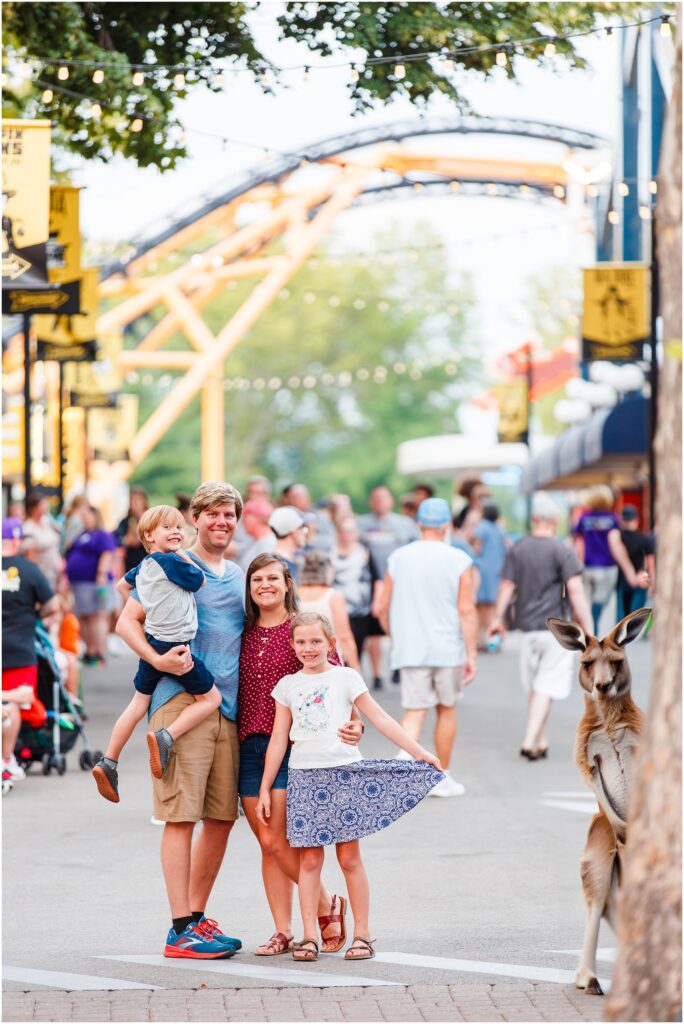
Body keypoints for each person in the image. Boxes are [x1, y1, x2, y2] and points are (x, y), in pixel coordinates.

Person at [256, 611, 443, 962]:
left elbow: (381, 718)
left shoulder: (346, 677)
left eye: (315, 641)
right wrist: (266, 787)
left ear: (331, 643)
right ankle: (310, 935)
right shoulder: (287, 686)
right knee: (309, 860)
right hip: (304, 778)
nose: (308, 648)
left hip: (344, 774)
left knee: (348, 858)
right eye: (301, 642)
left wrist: (419, 752)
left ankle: (362, 934)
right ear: (292, 645)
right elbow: (279, 740)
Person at [116, 482, 245, 959]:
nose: (220, 522)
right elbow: (125, 621)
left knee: (220, 819)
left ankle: (195, 918)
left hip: (224, 708)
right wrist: (158, 659)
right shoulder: (174, 564)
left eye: (228, 514)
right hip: (178, 704)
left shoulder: (236, 575)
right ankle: (178, 929)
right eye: (211, 514)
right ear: (195, 519)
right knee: (180, 817)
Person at [238, 552, 362, 955]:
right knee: (266, 842)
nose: (265, 586)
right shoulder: (244, 629)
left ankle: (324, 906)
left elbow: (337, 679)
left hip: (296, 749)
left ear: (288, 583)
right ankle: (283, 928)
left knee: (280, 840)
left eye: (273, 578)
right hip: (249, 744)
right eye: (257, 580)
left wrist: (355, 722)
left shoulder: (302, 628)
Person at [92, 505, 222, 803]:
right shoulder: (172, 562)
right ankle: (166, 736)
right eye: (167, 528)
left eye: (179, 527)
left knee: (138, 703)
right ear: (149, 535)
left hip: (153, 642)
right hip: (178, 647)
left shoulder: (145, 566)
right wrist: (184, 555)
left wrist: (151, 606)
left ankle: (109, 761)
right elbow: (200, 581)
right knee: (211, 699)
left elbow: (121, 585)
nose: (176, 532)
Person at [379, 498, 478, 797]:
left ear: (420, 523)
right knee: (446, 708)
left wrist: (395, 635)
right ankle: (442, 777)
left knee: (414, 710)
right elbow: (467, 610)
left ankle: (404, 766)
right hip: (447, 647)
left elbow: (382, 606)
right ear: (447, 524)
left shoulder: (398, 558)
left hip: (411, 647)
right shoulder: (458, 559)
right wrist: (471, 652)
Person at [488, 492, 594, 760]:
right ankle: (528, 740)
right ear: (555, 520)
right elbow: (576, 590)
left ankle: (541, 739)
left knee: (535, 687)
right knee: (546, 687)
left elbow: (506, 587)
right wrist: (589, 630)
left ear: (534, 519)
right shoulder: (563, 550)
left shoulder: (518, 547)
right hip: (556, 630)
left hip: (527, 629)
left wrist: (496, 619)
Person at [2, 517, 60, 783]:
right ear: (16, 541)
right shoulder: (29, 569)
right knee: (13, 701)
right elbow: (52, 606)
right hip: (19, 649)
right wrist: (35, 614)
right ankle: (6, 760)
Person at [357, 485, 419, 690]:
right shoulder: (362, 525)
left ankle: (398, 664)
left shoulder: (405, 524)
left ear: (391, 501)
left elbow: (415, 551)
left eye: (383, 498)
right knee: (375, 629)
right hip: (373, 584)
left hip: (400, 583)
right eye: (375, 498)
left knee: (399, 625)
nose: (379, 502)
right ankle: (376, 673)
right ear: (370, 502)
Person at [571, 485, 644, 634]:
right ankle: (594, 629)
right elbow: (615, 544)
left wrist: (578, 566)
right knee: (600, 605)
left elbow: (579, 544)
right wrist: (630, 572)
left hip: (588, 567)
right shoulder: (612, 519)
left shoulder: (584, 519)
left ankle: (590, 630)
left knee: (586, 602)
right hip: (607, 568)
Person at [65, 505, 117, 666]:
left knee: (98, 616)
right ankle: (89, 651)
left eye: (87, 515)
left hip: (95, 582)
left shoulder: (102, 535)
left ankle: (99, 652)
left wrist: (101, 573)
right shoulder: (82, 534)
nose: (85, 519)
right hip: (80, 584)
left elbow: (107, 554)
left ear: (95, 516)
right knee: (84, 616)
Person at [297, 550, 361, 671]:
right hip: (329, 661)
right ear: (327, 571)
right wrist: (356, 668)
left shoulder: (295, 595)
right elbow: (345, 636)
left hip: (302, 661)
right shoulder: (333, 596)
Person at [331, 516, 379, 667]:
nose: (348, 534)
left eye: (351, 530)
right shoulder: (330, 554)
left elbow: (377, 578)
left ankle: (354, 678)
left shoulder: (364, 552)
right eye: (344, 530)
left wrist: (376, 602)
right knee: (340, 646)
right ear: (338, 532)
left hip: (361, 609)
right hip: (338, 608)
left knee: (357, 646)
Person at [473, 503, 507, 648]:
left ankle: (486, 638)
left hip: (483, 569)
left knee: (482, 605)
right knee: (493, 604)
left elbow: (476, 546)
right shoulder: (499, 529)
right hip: (497, 569)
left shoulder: (482, 527)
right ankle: (493, 637)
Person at [616, 505, 655, 621]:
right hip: (640, 578)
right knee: (635, 615)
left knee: (621, 615)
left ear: (622, 520)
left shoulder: (617, 538)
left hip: (621, 580)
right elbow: (650, 562)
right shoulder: (643, 538)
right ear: (636, 520)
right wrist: (651, 581)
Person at [21, 489, 63, 589]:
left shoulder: (47, 521)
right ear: (33, 508)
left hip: (54, 572)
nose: (46, 507)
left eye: (46, 504)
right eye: (42, 504)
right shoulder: (28, 527)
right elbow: (28, 552)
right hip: (39, 572)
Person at [267, 506, 308, 580]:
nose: (305, 532)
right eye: (303, 527)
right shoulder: (283, 566)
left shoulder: (271, 562)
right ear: (294, 531)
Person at [115, 487, 149, 575]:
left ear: (144, 501)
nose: (135, 503)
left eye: (138, 500)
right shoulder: (124, 522)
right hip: (130, 565)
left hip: (147, 563)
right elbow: (120, 540)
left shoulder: (150, 520)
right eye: (133, 500)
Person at [236, 499, 276, 573]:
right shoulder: (255, 540)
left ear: (257, 517)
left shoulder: (269, 544)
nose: (242, 522)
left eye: (245, 516)